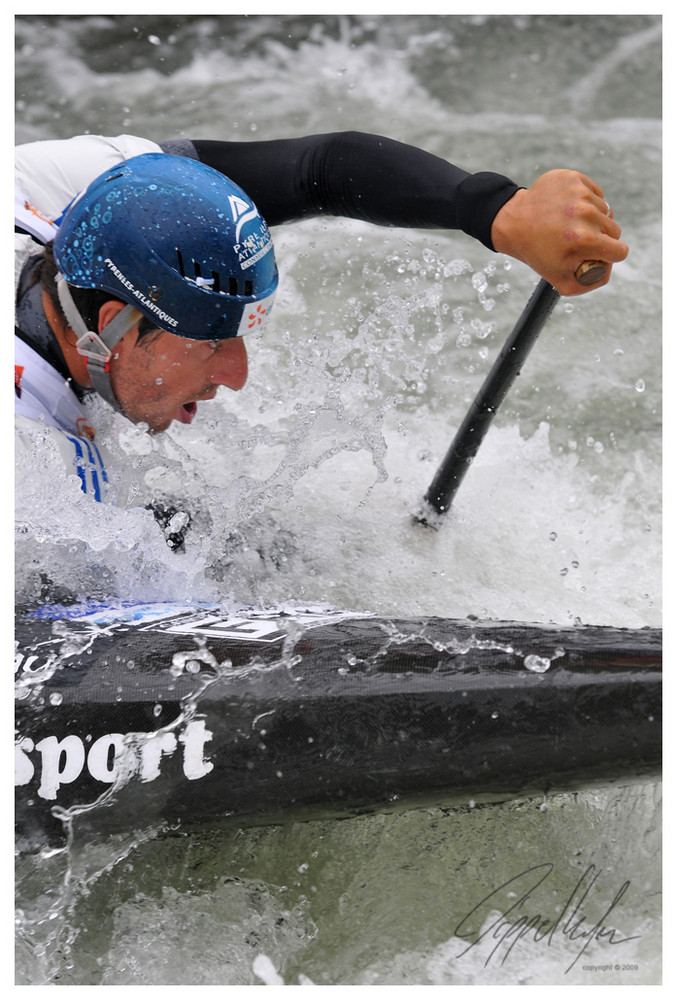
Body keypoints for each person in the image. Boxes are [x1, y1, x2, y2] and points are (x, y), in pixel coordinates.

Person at [15, 131, 628, 511]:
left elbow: (319, 168)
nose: (237, 375)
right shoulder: (27, 467)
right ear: (113, 326)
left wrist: (500, 211)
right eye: (209, 343)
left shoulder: (82, 185)